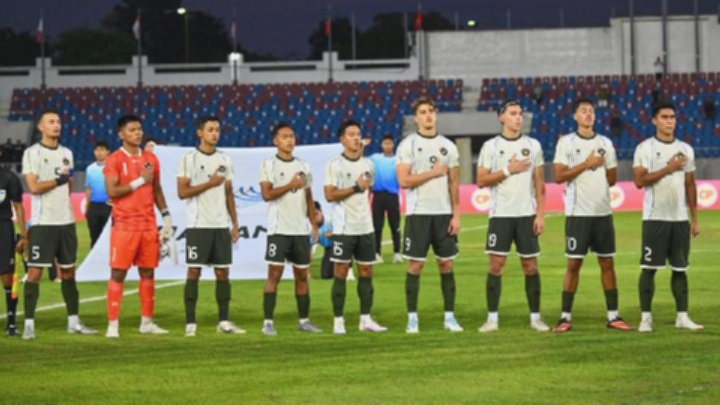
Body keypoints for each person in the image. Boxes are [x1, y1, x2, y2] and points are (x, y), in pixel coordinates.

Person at [552, 98, 633, 332]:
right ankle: (565, 317)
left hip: (602, 213)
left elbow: (612, 178)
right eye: (583, 111)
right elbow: (559, 176)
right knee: (573, 264)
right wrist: (587, 164)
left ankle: (613, 315)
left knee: (607, 263)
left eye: (591, 111)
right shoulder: (566, 142)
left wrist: (596, 168)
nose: (588, 114)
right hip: (578, 214)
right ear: (575, 116)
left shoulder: (605, 143)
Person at [21, 109, 96, 340]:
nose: (56, 125)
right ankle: (29, 325)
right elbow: (33, 187)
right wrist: (57, 181)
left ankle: (73, 322)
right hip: (43, 223)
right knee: (34, 273)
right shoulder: (32, 153)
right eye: (51, 121)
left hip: (66, 222)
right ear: (40, 127)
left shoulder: (67, 153)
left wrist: (62, 184)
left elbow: (68, 185)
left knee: (69, 272)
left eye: (59, 121)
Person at [476, 99, 549, 333]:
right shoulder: (490, 146)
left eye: (520, 113)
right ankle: (492, 319)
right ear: (502, 117)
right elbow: (481, 180)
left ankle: (535, 318)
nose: (518, 117)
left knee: (530, 266)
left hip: (526, 215)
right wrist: (509, 169)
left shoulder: (533, 145)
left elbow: (540, 184)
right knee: (496, 266)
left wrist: (540, 214)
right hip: (500, 216)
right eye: (513, 113)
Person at [633, 100, 702, 333]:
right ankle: (645, 318)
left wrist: (694, 218)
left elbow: (690, 184)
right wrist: (668, 168)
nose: (669, 121)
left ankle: (682, 317)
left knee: (680, 269)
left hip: (679, 220)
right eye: (664, 117)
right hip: (655, 219)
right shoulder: (645, 148)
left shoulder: (686, 149)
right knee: (649, 268)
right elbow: (639, 181)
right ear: (654, 120)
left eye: (672, 117)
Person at [396, 97, 463, 334]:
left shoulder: (449, 146)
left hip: (444, 214)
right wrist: (432, 173)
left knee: (446, 264)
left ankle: (449, 317)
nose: (428, 115)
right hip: (418, 214)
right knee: (415, 266)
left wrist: (456, 215)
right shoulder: (407, 145)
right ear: (416, 118)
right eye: (423, 112)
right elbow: (403, 180)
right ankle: (412, 319)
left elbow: (454, 183)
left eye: (431, 111)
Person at [104, 115, 174, 338]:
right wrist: (139, 181)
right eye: (132, 130)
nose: (138, 133)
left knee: (148, 271)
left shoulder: (150, 159)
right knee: (118, 273)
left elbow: (156, 189)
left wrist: (166, 216)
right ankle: (112, 324)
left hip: (148, 225)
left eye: (139, 129)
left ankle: (146, 322)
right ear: (121, 134)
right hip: (124, 226)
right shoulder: (114, 160)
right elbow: (112, 191)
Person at [178, 116, 244, 337]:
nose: (215, 133)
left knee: (223, 272)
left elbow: (228, 193)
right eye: (210, 129)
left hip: (220, 225)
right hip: (198, 226)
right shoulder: (188, 159)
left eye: (217, 129)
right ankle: (190, 323)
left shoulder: (225, 160)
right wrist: (209, 183)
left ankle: (223, 321)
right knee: (194, 271)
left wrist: (234, 223)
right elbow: (182, 192)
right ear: (200, 133)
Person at [324, 120, 387, 334]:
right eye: (351, 134)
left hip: (365, 227)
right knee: (341, 272)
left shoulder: (368, 164)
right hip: (344, 229)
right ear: (342, 139)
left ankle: (365, 320)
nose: (356, 137)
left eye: (358, 133)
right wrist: (355, 187)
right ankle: (338, 321)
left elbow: (369, 189)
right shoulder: (334, 165)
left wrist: (361, 190)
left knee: (366, 271)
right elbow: (329, 195)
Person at [259, 123, 321, 336]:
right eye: (284, 137)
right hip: (279, 230)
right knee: (274, 275)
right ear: (276, 141)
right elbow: (267, 194)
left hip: (300, 231)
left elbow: (308, 196)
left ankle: (304, 321)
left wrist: (313, 224)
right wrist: (290, 185)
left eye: (292, 136)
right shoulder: (268, 165)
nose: (289, 140)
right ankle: (268, 322)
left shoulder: (303, 165)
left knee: (302, 276)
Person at [0, 154, 27, 336]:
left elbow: (18, 206)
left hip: (3, 227)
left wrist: (23, 235)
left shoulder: (9, 177)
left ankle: (11, 323)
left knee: (7, 277)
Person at [369, 135, 402, 264]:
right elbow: (360, 161)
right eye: (385, 143)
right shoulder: (375, 158)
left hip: (392, 196)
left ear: (393, 144)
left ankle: (397, 253)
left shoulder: (398, 159)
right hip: (378, 195)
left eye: (389, 143)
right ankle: (377, 253)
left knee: (395, 225)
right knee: (377, 226)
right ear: (381, 145)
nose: (387, 145)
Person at [84, 141, 112, 247]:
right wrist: (87, 207)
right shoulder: (90, 169)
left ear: (108, 152)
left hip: (108, 205)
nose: (99, 152)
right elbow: (88, 189)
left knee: (108, 237)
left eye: (102, 150)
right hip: (94, 206)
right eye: (97, 150)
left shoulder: (113, 167)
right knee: (94, 236)